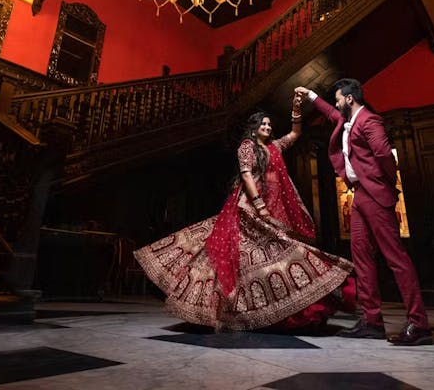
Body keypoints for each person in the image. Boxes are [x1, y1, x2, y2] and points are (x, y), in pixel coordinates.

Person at [135, 93, 355, 332]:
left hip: (275, 206)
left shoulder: (274, 147)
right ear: (254, 128)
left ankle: (281, 310)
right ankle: (239, 309)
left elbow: (295, 134)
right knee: (245, 255)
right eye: (263, 124)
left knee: (275, 252)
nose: (268, 127)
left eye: (269, 124)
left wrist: (296, 109)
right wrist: (259, 205)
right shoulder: (247, 147)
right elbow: (247, 175)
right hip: (249, 206)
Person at [296, 79, 433, 345]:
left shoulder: (370, 121)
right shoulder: (346, 120)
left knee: (396, 258)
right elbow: (330, 112)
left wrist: (385, 186)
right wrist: (310, 95)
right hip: (358, 195)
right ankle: (372, 322)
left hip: (375, 195)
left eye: (338, 98)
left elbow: (385, 156)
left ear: (349, 98)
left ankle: (419, 325)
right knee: (361, 256)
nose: (336, 103)